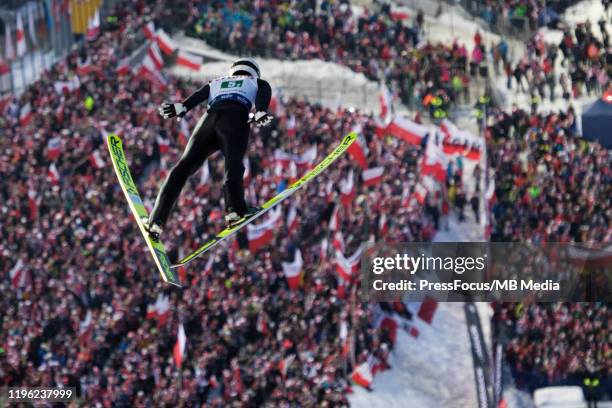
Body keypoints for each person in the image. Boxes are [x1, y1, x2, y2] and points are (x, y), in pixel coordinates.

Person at [144, 58, 273, 241]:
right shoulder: (256, 82)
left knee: (183, 166)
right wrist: (260, 111)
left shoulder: (217, 82)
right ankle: (234, 210)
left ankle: (156, 219)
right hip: (235, 117)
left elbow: (197, 96)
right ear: (254, 72)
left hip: (208, 120)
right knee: (233, 163)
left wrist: (182, 107)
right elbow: (263, 94)